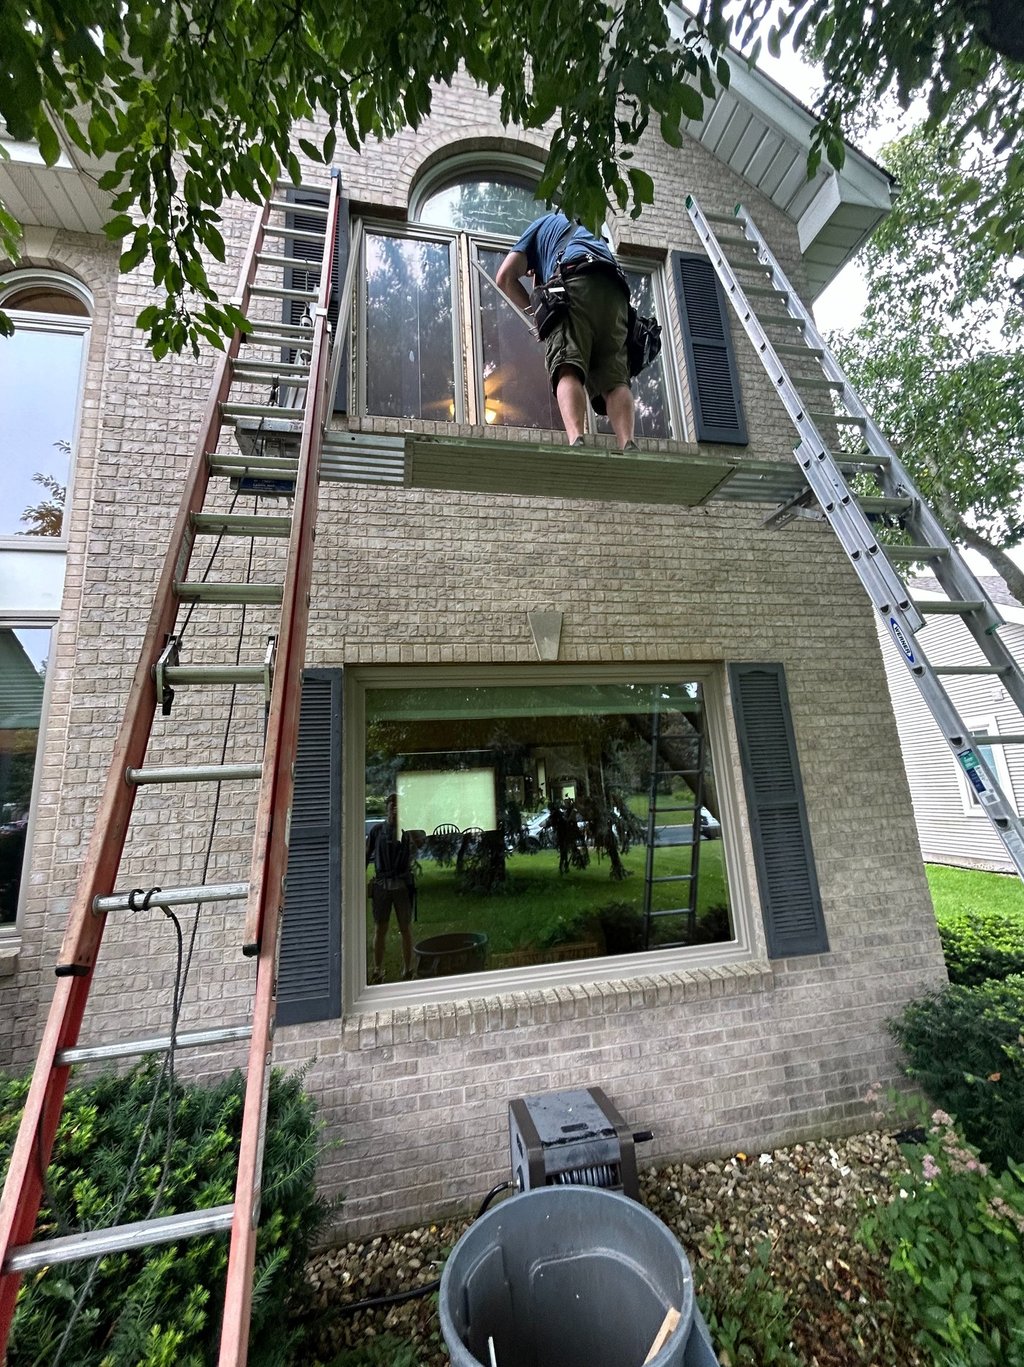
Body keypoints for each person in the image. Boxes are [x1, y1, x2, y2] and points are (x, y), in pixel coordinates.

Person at [496, 210, 636, 451]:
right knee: (615, 381)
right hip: (615, 293)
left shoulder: (541, 225)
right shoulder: (590, 232)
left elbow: (505, 277)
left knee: (567, 366)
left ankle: (576, 440)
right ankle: (628, 443)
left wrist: (537, 315)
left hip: (575, 282)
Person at [365, 793, 416, 983]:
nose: (394, 810)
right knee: (380, 928)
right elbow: (366, 854)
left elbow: (420, 843)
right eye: (391, 806)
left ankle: (408, 969)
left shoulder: (407, 831)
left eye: (398, 806)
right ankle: (377, 970)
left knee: (405, 928)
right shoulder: (377, 831)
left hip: (402, 886)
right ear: (386, 808)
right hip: (382, 885)